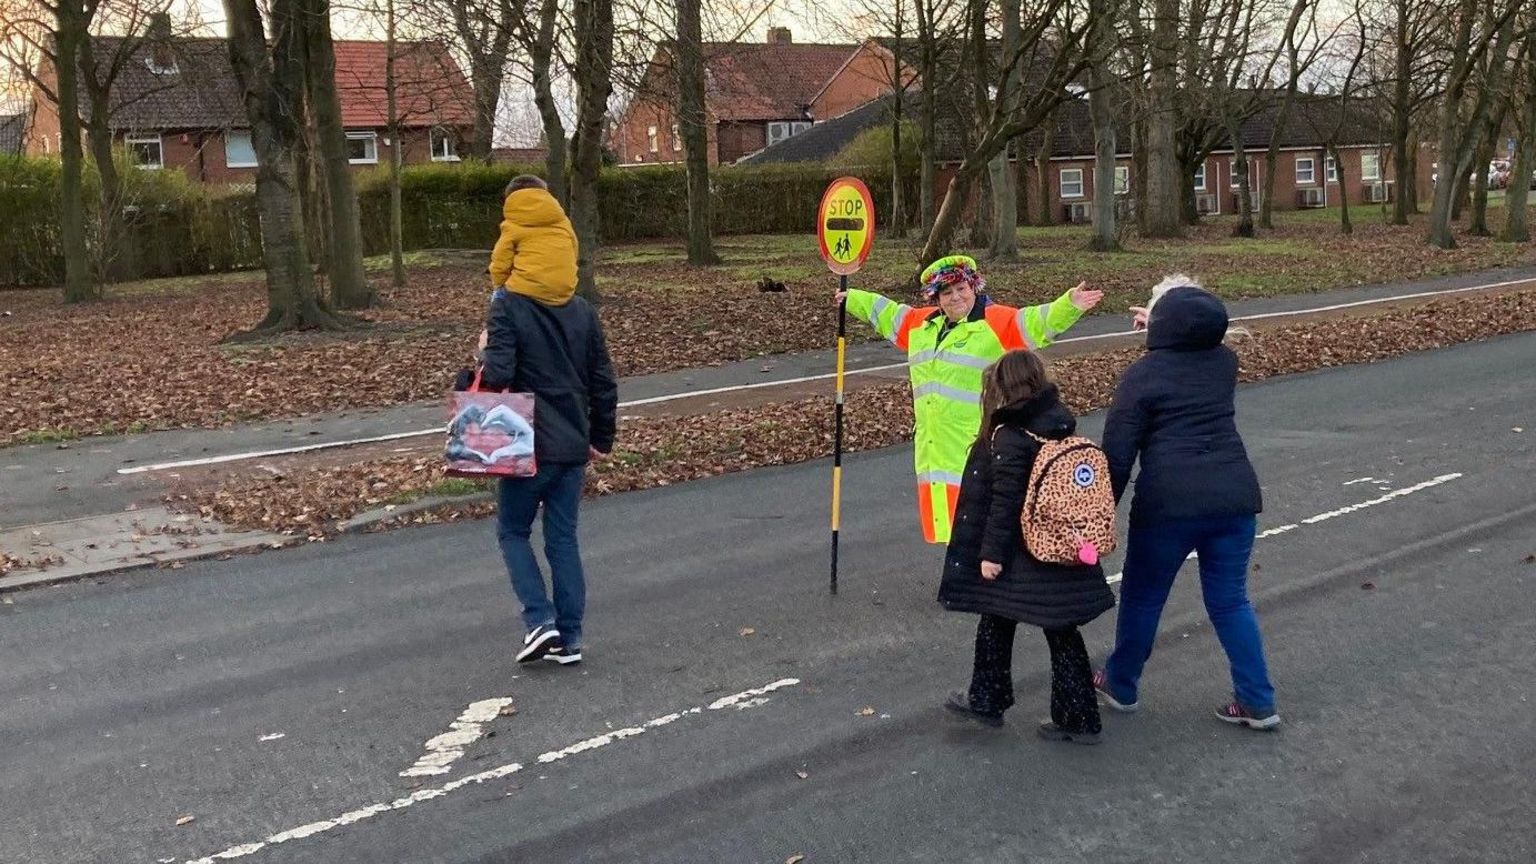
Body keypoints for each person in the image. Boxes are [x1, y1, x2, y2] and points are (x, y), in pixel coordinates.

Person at [1094, 275, 1279, 730]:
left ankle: (1122, 682)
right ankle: (1258, 700)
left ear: (1163, 327)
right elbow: (1198, 330)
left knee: (1143, 599)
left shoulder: (1141, 377)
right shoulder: (1223, 363)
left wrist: (1099, 516)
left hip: (1169, 504)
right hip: (1234, 496)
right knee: (1230, 601)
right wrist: (1161, 324)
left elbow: (1118, 454)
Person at [839, 255, 1103, 544]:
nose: (956, 298)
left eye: (962, 289)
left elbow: (1037, 322)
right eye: (947, 292)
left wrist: (1069, 305)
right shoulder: (920, 326)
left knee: (983, 527)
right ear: (936, 298)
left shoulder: (995, 321)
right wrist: (849, 296)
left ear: (973, 288)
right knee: (954, 531)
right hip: (934, 448)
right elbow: (884, 312)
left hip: (977, 446)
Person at [937, 350, 1116, 742]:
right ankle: (1073, 715)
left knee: (1007, 621)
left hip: (1022, 552)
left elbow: (1004, 501)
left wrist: (990, 555)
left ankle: (994, 700)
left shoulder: (1010, 434)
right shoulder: (1057, 423)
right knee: (1051, 627)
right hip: (1060, 543)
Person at [480, 176, 617, 669]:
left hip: (525, 444)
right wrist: (601, 436)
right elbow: (603, 380)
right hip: (572, 445)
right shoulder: (582, 311)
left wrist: (478, 355)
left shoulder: (508, 308)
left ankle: (540, 621)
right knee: (562, 538)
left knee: (513, 532)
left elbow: (496, 375)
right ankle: (571, 638)